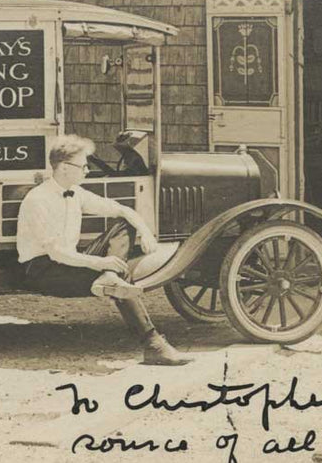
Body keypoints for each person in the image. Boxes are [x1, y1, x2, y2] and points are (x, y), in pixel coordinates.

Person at [16, 135, 191, 366]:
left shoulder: (75, 192)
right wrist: (100, 263)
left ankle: (111, 278)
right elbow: (57, 253)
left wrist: (146, 232)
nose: (87, 170)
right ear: (65, 168)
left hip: (71, 259)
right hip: (44, 269)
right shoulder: (38, 199)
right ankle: (153, 345)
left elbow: (122, 210)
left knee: (123, 228)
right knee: (117, 276)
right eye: (83, 165)